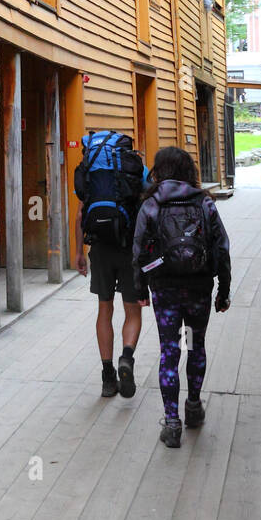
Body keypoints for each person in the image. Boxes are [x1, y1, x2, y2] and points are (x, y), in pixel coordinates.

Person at [132, 147, 231, 448]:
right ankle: (194, 406)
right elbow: (222, 248)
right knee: (195, 346)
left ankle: (171, 422)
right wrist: (223, 289)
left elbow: (137, 252)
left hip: (164, 289)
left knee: (169, 351)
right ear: (189, 170)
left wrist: (139, 289)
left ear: (159, 170)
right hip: (199, 287)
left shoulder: (150, 205)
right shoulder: (204, 203)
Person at [74, 131, 149, 400]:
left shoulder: (90, 170)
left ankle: (108, 377)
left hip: (100, 248)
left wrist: (79, 252)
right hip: (130, 247)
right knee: (133, 311)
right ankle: (126, 357)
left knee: (104, 308)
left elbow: (82, 212)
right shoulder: (134, 166)